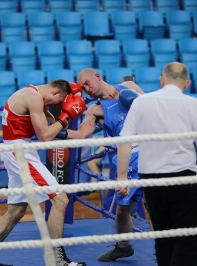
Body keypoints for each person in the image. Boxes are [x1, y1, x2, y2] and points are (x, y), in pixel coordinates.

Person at [117, 62, 197, 266]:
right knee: (189, 238)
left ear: (162, 80)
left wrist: (122, 177)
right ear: (187, 83)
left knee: (163, 236)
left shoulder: (141, 102)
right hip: (182, 178)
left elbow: (125, 141)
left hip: (151, 180)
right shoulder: (194, 104)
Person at [0, 80, 87, 266]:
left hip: (18, 151)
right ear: (56, 91)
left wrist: (64, 117)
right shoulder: (33, 97)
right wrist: (66, 116)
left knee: (16, 211)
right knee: (60, 199)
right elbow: (45, 136)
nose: (55, 106)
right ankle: (59, 261)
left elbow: (55, 127)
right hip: (20, 153)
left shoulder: (35, 94)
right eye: (57, 102)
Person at [67, 68, 146, 262]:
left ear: (97, 76)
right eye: (83, 87)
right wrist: (55, 130)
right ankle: (123, 247)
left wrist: (138, 101)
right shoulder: (95, 109)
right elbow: (81, 135)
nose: (87, 89)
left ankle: (165, 247)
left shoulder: (129, 87)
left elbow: (154, 108)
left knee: (154, 204)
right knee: (121, 211)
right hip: (124, 163)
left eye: (87, 83)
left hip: (148, 154)